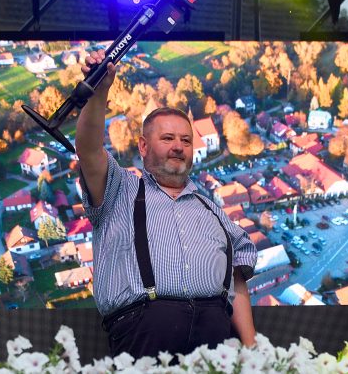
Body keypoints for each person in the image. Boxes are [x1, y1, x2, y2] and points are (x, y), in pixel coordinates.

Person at [74, 49, 257, 358]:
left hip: (214, 338)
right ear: (143, 146)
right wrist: (99, 91)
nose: (178, 147)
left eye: (186, 140)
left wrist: (252, 349)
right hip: (144, 334)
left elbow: (237, 280)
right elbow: (89, 149)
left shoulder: (212, 210)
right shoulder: (119, 190)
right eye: (168, 138)